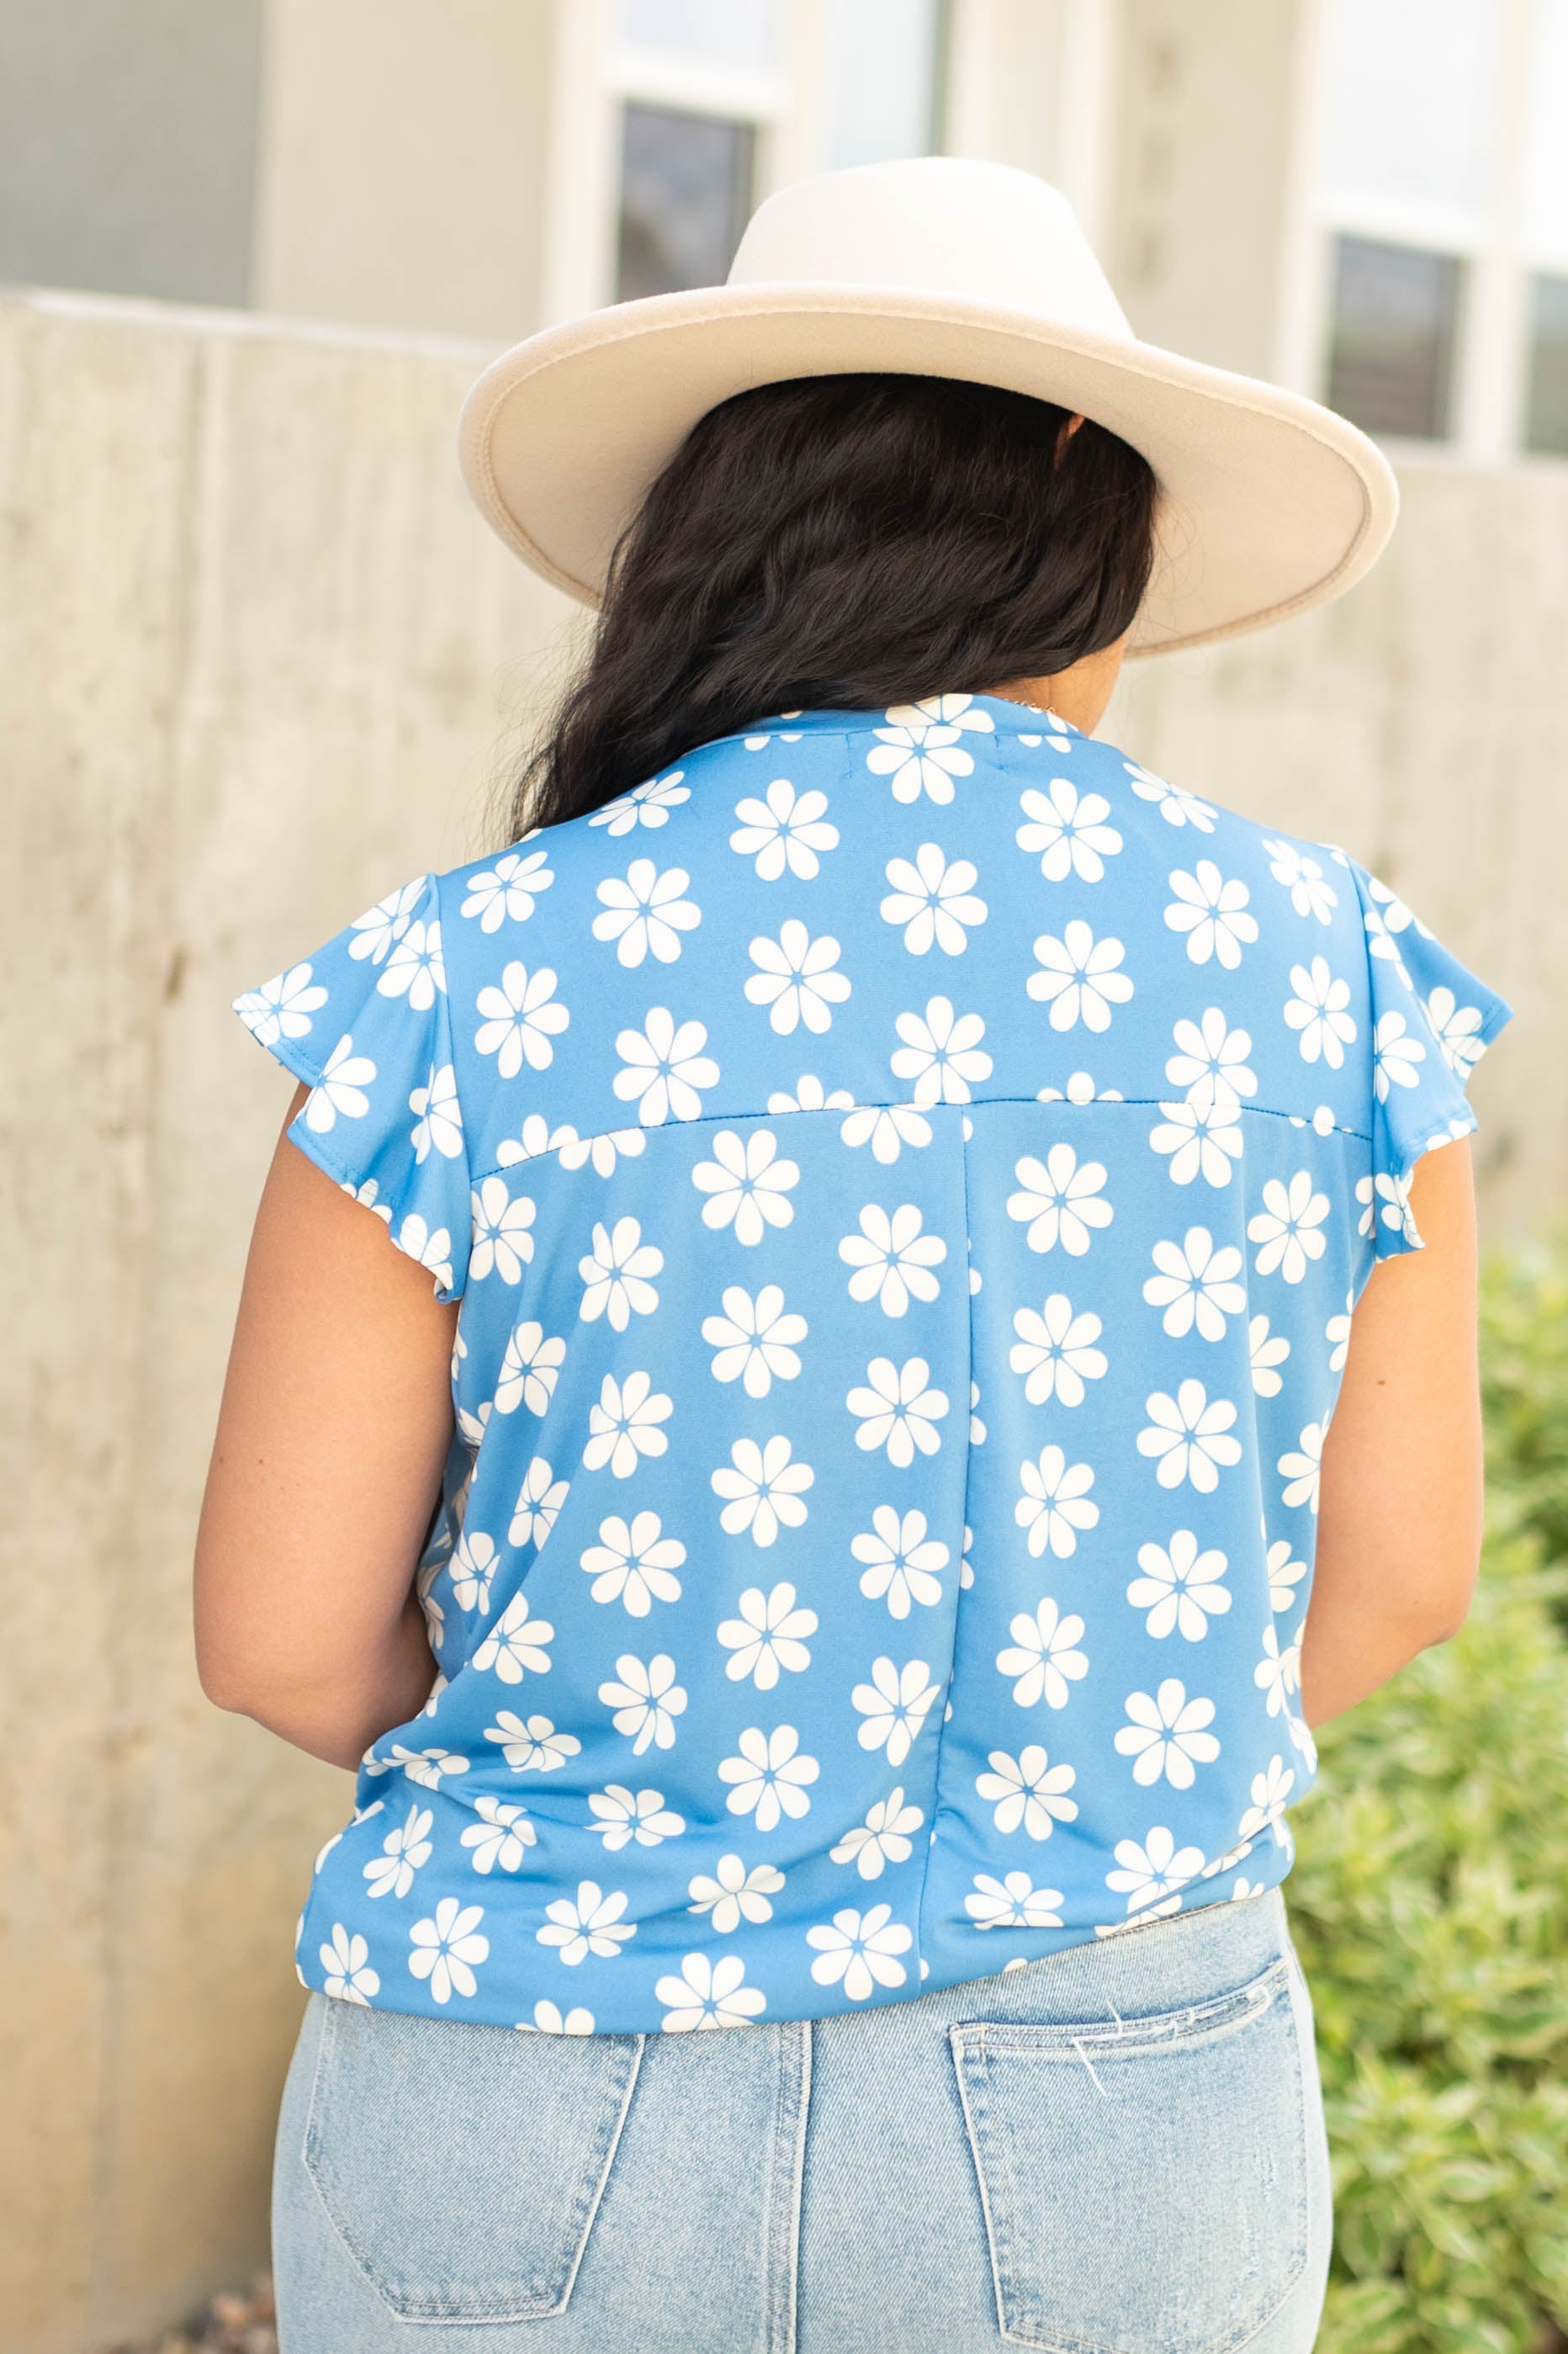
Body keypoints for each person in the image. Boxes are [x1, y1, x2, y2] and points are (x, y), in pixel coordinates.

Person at [196, 159, 1512, 2354]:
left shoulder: (462, 973)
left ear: (718, 537)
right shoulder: (1334, 978)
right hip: (1126, 2107)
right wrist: (1073, 1793)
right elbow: (1399, 1580)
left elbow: (277, 1639)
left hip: (528, 2084)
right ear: (1090, 516)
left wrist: (637, 1764)